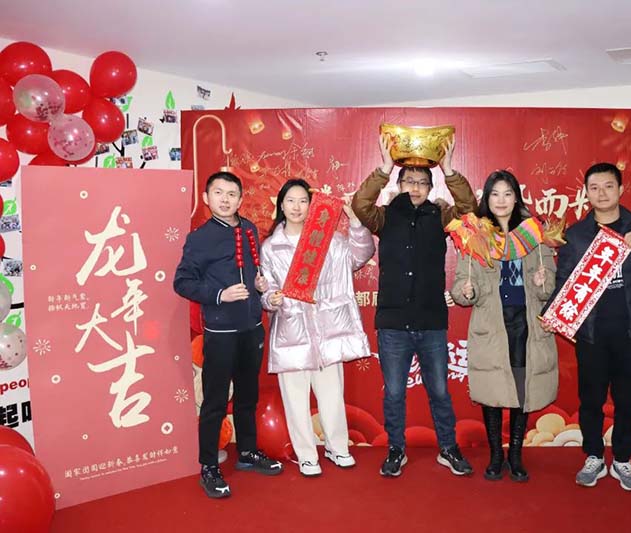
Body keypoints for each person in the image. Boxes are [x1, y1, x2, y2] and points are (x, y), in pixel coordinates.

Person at [351, 134, 477, 477]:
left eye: (422, 183)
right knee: (393, 393)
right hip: (393, 323)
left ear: (431, 188)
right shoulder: (384, 216)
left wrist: (449, 170)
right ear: (400, 184)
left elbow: (469, 210)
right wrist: (384, 167)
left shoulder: (441, 216)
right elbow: (360, 204)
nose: (416, 188)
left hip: (431, 321)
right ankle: (396, 449)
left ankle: (448, 448)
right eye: (409, 182)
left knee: (440, 391)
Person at [544, 162, 631, 491]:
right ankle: (594, 456)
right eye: (595, 188)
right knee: (590, 400)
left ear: (621, 189)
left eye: (608, 186)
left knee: (628, 400)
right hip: (591, 335)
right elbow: (565, 281)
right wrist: (552, 313)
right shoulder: (577, 235)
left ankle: (624, 459)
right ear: (586, 193)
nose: (602, 193)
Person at [174, 171, 283, 499]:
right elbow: (182, 282)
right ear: (206, 198)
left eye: (232, 193)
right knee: (215, 401)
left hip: (252, 327)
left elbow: (251, 269)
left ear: (240, 199)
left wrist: (259, 283)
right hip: (220, 331)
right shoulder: (199, 238)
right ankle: (208, 466)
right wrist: (220, 294)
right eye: (218, 193)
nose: (225, 199)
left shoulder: (249, 228)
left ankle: (247, 452)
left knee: (248, 396)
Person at [259, 179, 375, 476]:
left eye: (303, 201)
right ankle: (307, 455)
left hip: (327, 333)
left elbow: (360, 256)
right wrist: (270, 298)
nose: (297, 207)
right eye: (290, 201)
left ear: (312, 207)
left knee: (332, 396)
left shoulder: (329, 241)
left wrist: (355, 223)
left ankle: (338, 448)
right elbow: (267, 289)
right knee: (295, 400)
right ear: (281, 205)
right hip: (291, 334)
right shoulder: (271, 247)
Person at [451, 170, 558, 482]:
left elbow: (548, 288)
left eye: (507, 193)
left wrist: (542, 281)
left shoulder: (534, 234)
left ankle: (516, 454)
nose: (501, 200)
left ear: (516, 198)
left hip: (525, 324)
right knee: (493, 389)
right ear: (487, 198)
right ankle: (496, 454)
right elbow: (460, 286)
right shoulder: (476, 235)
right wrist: (466, 291)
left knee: (523, 389)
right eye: (495, 194)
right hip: (492, 325)